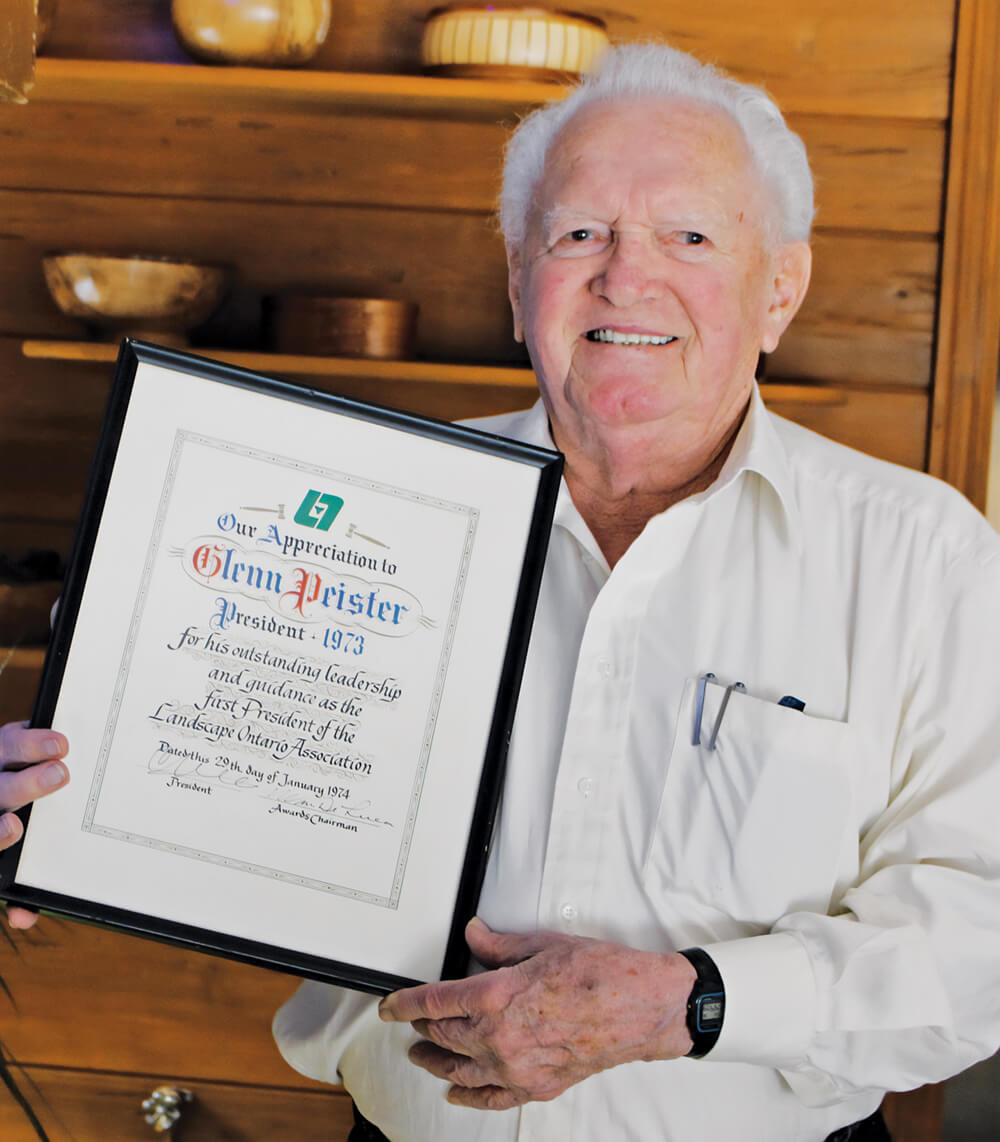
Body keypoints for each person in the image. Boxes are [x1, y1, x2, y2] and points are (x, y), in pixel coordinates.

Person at [5, 40, 1000, 1142]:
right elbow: (178, 755)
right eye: (579, 234)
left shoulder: (924, 559)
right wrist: (56, 810)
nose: (627, 276)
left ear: (780, 289)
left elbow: (978, 940)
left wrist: (689, 1002)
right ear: (518, 284)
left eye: (690, 235)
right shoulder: (366, 512)